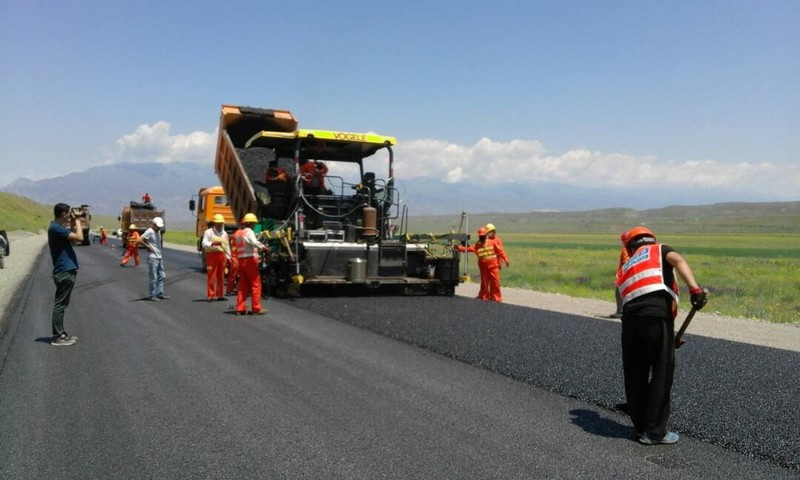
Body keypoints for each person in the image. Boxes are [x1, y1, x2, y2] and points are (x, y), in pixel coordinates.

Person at [616, 226, 707, 445]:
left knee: (635, 371)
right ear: (650, 239)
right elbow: (679, 261)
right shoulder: (659, 250)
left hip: (630, 320)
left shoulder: (627, 265)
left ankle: (640, 429)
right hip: (656, 315)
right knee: (662, 370)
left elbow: (634, 295)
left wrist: (670, 337)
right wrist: (695, 290)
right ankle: (656, 431)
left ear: (630, 246)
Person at [47, 203, 83, 346]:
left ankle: (61, 333)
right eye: (69, 213)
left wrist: (74, 222)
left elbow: (74, 238)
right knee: (60, 304)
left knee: (62, 303)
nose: (70, 215)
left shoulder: (57, 228)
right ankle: (57, 337)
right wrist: (79, 221)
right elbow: (80, 237)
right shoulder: (56, 228)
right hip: (64, 271)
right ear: (63, 214)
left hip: (66, 270)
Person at [456, 227, 508, 302]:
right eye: (480, 236)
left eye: (483, 236)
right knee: (485, 282)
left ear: (486, 235)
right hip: (483, 266)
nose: (482, 237)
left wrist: (505, 259)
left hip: (493, 266)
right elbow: (467, 249)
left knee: (496, 282)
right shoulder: (477, 245)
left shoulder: (492, 242)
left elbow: (500, 251)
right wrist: (458, 247)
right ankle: (484, 296)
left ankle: (496, 297)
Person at [233, 213, 269, 315]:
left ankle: (240, 308)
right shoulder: (249, 232)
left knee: (242, 286)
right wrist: (264, 247)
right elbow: (253, 241)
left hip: (241, 261)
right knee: (256, 284)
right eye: (254, 223)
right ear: (252, 223)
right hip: (249, 261)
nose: (254, 225)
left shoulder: (239, 234)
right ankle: (256, 308)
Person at [202, 214, 232, 302]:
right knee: (211, 276)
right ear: (214, 223)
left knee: (221, 276)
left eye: (221, 223)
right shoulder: (208, 232)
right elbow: (204, 243)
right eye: (218, 223)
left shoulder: (225, 234)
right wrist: (212, 244)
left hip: (222, 256)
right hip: (212, 256)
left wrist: (229, 257)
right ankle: (210, 295)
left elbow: (227, 247)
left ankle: (220, 295)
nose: (219, 225)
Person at [138, 217, 168, 301]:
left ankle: (160, 293)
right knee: (153, 277)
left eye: (160, 226)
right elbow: (139, 240)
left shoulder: (158, 231)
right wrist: (147, 246)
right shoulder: (150, 231)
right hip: (153, 258)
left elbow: (163, 230)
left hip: (159, 257)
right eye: (157, 226)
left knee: (162, 276)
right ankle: (152, 295)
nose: (159, 227)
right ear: (153, 224)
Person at [610, 231, 631, 318]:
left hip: (625, 275)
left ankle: (620, 312)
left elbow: (626, 262)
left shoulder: (626, 250)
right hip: (632, 274)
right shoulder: (636, 249)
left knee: (619, 293)